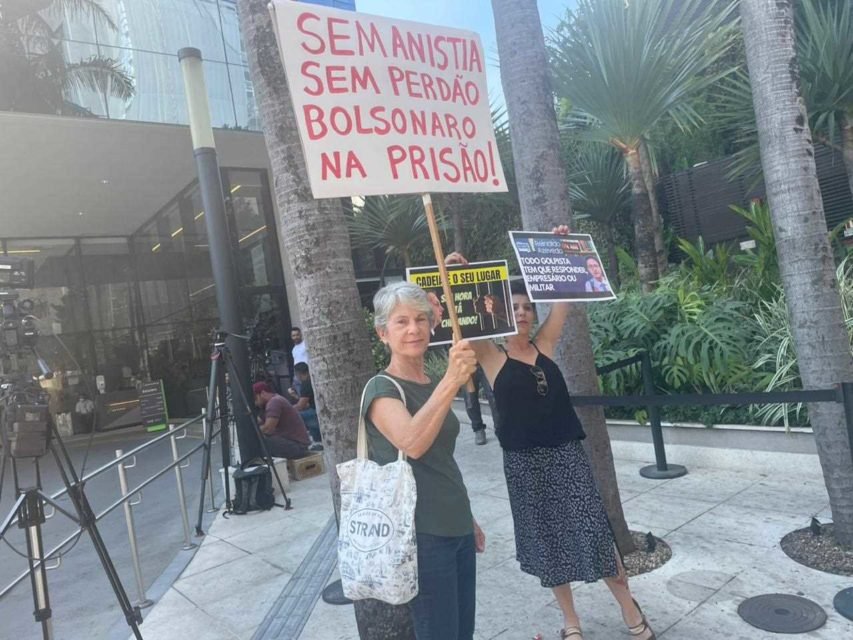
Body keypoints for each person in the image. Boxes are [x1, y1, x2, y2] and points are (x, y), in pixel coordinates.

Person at [448, 227, 655, 640]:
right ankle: (570, 622)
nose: (523, 312)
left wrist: (560, 245)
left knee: (595, 533)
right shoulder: (492, 355)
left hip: (566, 457)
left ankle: (631, 611)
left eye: (527, 307)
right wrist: (460, 275)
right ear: (504, 312)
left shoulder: (545, 343)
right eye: (515, 307)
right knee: (549, 543)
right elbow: (462, 321)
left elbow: (566, 292)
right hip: (525, 464)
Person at [364, 281, 485, 640]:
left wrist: (467, 515)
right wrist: (452, 379)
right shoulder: (380, 389)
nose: (414, 329)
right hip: (421, 535)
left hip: (455, 523)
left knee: (463, 630)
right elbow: (412, 443)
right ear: (382, 333)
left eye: (421, 319)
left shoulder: (431, 381)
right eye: (401, 322)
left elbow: (439, 460)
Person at [252, 381, 310, 460]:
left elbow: (268, 429)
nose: (255, 403)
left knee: (261, 441)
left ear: (263, 393)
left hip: (298, 447)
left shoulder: (274, 402)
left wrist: (252, 431)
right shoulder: (275, 400)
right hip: (296, 444)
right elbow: (260, 421)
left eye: (255, 398)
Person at [288, 362, 323, 451]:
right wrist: (295, 396)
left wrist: (287, 409)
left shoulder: (306, 383)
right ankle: (317, 440)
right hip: (316, 410)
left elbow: (301, 406)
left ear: (298, 374)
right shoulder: (312, 380)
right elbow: (307, 403)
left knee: (295, 416)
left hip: (315, 412)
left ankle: (300, 442)